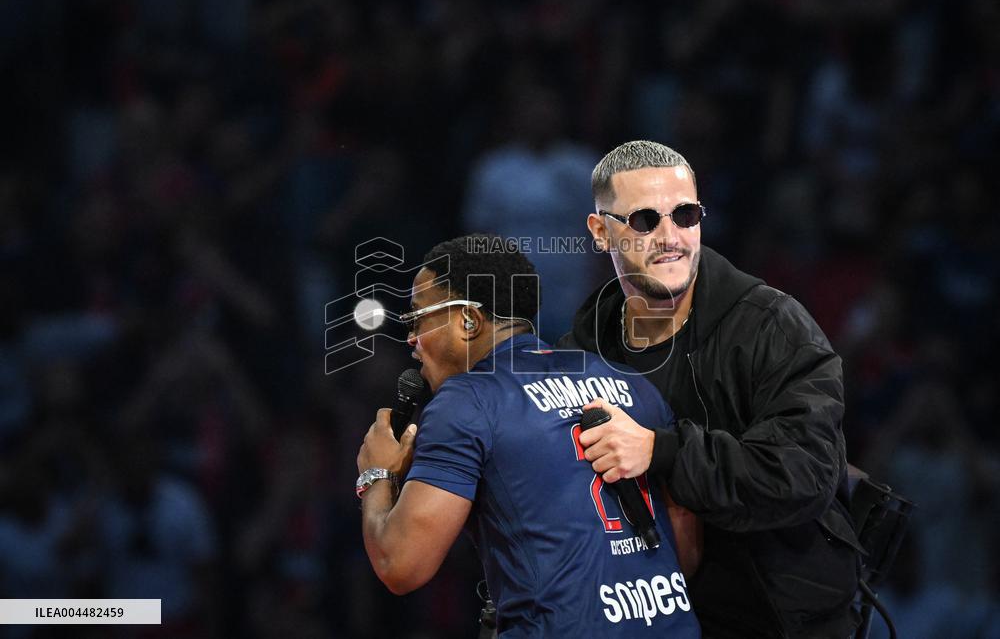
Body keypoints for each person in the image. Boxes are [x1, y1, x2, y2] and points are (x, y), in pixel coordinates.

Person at [558, 141, 863, 638]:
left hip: (779, 622)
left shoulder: (772, 326)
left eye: (685, 215)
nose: (669, 237)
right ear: (599, 231)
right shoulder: (580, 351)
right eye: (643, 221)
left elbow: (805, 473)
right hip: (645, 624)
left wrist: (662, 452)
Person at [356, 234, 701, 637]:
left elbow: (400, 566)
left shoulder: (466, 402)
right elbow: (686, 551)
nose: (412, 339)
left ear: (469, 320)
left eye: (419, 317)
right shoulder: (630, 382)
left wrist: (377, 475)